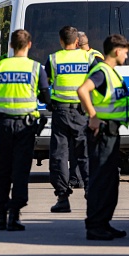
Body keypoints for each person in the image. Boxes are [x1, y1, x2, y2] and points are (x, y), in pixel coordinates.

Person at [0, 29, 51, 231]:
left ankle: (1, 214)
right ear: (29, 45)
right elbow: (46, 98)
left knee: (1, 170)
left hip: (4, 127)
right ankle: (15, 215)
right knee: (20, 171)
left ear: (10, 45)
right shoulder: (36, 68)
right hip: (26, 127)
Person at [77, 34, 129, 241]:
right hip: (102, 133)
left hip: (111, 132)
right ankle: (95, 226)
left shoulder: (111, 73)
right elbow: (82, 90)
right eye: (125, 52)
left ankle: (104, 223)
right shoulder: (101, 71)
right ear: (117, 51)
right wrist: (92, 116)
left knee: (110, 181)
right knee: (100, 180)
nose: (126, 56)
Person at [44, 26, 93, 213]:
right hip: (82, 113)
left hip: (61, 113)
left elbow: (44, 84)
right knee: (85, 154)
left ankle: (63, 197)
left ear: (61, 41)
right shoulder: (89, 58)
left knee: (59, 156)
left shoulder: (54, 59)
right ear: (77, 42)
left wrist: (49, 104)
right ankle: (91, 192)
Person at [70, 31, 104, 188]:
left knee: (80, 143)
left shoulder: (89, 58)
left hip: (85, 105)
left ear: (77, 43)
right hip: (90, 105)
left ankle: (77, 178)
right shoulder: (96, 56)